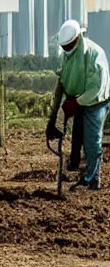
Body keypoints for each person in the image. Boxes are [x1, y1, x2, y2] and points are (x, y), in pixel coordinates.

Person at [46, 19, 110, 190]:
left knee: (92, 140)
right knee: (78, 137)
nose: (65, 49)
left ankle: (91, 180)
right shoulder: (67, 56)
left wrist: (77, 102)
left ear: (77, 38)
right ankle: (77, 167)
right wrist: (54, 118)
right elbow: (64, 81)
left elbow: (95, 89)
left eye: (68, 46)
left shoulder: (94, 55)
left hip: (96, 102)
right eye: (63, 46)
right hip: (76, 99)